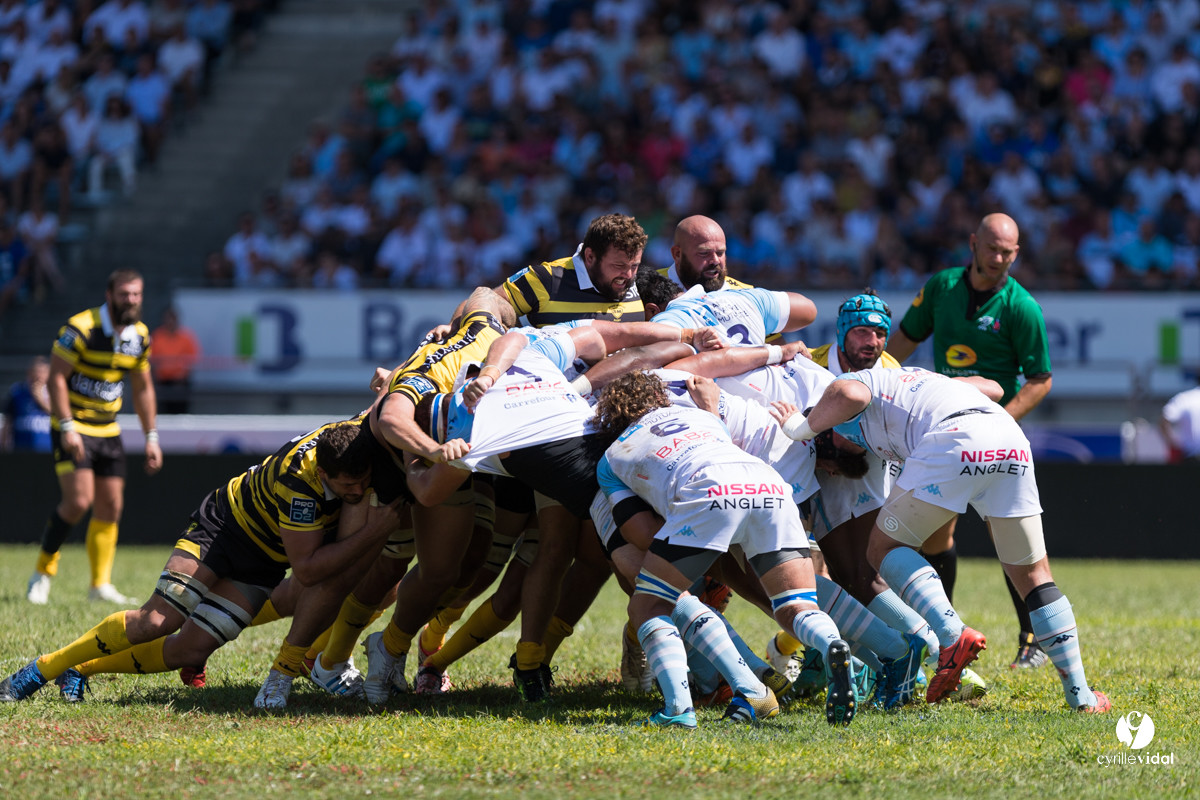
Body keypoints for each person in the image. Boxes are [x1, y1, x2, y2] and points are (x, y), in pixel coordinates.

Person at [772, 367, 1111, 713]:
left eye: (840, 446)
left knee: (882, 549)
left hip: (956, 437)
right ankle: (1081, 696)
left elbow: (849, 395)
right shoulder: (910, 381)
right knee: (1036, 578)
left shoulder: (850, 390)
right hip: (1008, 438)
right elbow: (992, 387)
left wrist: (800, 427)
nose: (853, 445)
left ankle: (951, 634)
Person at [0, 420, 402, 706]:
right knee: (155, 622)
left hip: (261, 562)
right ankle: (40, 669)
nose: (359, 491)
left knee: (188, 651)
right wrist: (373, 532)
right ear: (325, 473)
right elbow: (309, 571)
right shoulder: (300, 482)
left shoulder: (356, 436)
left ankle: (84, 667)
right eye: (348, 486)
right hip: (224, 529)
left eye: (363, 482)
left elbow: (385, 405)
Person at [593, 371, 856, 727]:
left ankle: (677, 710)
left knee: (650, 603)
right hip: (771, 486)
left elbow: (640, 533)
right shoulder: (702, 417)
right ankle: (830, 645)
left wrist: (687, 556)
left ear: (611, 417)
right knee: (795, 605)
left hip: (709, 491)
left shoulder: (612, 455)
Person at [885, 213, 1054, 670]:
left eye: (1008, 253)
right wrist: (875, 379)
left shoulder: (1022, 308)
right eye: (993, 249)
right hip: (946, 434)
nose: (999, 259)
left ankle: (1033, 639)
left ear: (1016, 254)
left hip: (996, 437)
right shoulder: (941, 288)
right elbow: (904, 339)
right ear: (974, 243)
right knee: (939, 533)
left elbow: (1040, 380)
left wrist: (1003, 417)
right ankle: (949, 632)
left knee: (1012, 542)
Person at [26, 270, 162, 606]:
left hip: (108, 429)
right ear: (109, 294)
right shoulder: (80, 328)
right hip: (73, 427)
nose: (130, 301)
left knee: (112, 506)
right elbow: (56, 379)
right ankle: (42, 573)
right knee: (78, 502)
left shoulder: (139, 336)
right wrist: (68, 426)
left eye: (136, 294)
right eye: (124, 294)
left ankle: (99, 585)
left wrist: (151, 436)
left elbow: (143, 387)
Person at [150, 306, 200, 414]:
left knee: (181, 414)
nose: (170, 321)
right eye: (168, 318)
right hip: (162, 383)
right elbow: (151, 359)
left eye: (173, 318)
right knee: (163, 414)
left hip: (181, 384)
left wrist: (181, 376)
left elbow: (192, 359)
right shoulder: (157, 336)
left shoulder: (186, 337)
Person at [2, 355, 51, 452]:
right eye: (36, 372)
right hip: (21, 450)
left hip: (47, 451)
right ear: (29, 372)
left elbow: (58, 415)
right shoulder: (17, 392)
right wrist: (4, 446)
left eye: (42, 372)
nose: (38, 376)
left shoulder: (54, 393)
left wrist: (41, 400)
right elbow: (8, 420)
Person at [1160, 378, 1200, 462]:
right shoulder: (1186, 399)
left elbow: (1164, 420)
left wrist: (1173, 443)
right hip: (1190, 457)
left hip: (1189, 457)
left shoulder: (1185, 398)